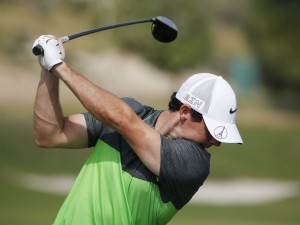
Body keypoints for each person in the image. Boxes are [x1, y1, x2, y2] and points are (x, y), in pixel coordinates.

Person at [32, 35, 243, 225]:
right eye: (213, 132)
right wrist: (48, 69)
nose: (216, 142)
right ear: (185, 112)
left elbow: (123, 120)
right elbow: (49, 135)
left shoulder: (194, 163)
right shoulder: (128, 113)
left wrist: (59, 66)